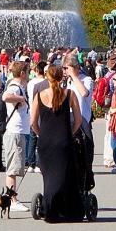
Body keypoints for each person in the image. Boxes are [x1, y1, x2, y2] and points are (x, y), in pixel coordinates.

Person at [33, 63, 87, 222]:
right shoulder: (69, 94)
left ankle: (50, 208)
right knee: (66, 175)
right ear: (62, 77)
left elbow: (33, 122)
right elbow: (78, 120)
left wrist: (40, 134)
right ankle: (68, 209)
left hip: (45, 142)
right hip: (63, 140)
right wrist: (69, 133)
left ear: (47, 78)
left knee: (48, 176)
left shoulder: (39, 95)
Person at [0, 73, 32, 214]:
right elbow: (5, 97)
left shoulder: (19, 86)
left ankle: (11, 199)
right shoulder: (15, 86)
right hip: (14, 131)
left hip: (17, 131)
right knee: (13, 167)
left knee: (15, 166)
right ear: (23, 73)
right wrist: (21, 98)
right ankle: (12, 201)